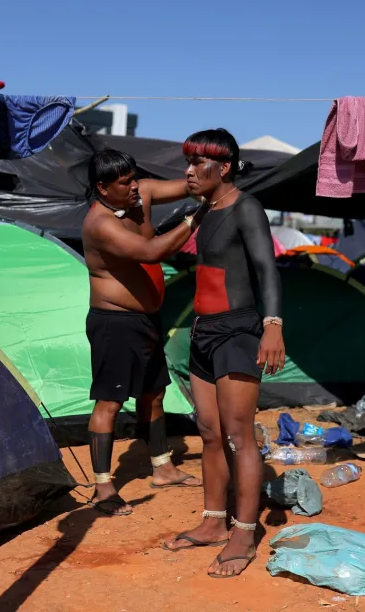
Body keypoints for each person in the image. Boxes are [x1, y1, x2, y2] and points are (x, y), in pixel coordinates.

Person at [161, 128, 285, 578]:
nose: (189, 171)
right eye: (188, 162)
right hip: (203, 333)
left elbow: (266, 269)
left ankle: (244, 533)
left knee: (239, 436)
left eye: (199, 163)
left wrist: (272, 325)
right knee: (209, 433)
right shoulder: (203, 211)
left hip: (238, 332)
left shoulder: (246, 207)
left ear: (225, 167)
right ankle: (214, 522)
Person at [81, 147, 210, 516]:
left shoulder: (143, 194)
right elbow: (151, 252)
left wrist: (210, 173)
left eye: (134, 178)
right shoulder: (100, 223)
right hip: (114, 323)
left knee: (154, 393)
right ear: (103, 188)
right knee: (109, 402)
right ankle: (103, 487)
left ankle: (163, 467)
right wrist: (196, 217)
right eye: (125, 183)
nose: (135, 186)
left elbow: (189, 186)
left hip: (146, 320)